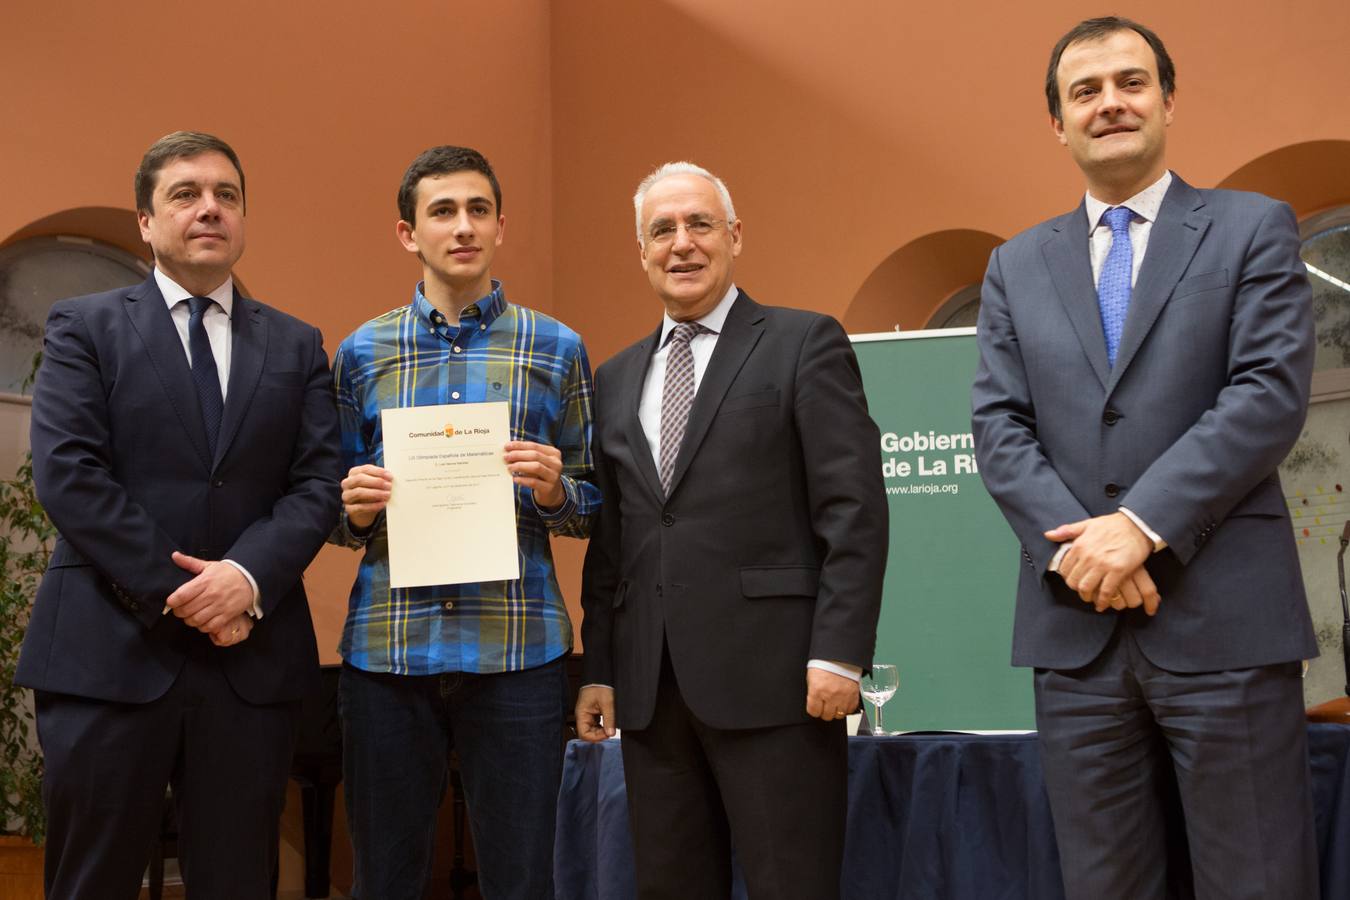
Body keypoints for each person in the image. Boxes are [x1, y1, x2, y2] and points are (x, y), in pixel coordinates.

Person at [971, 17, 1319, 898]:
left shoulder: (1251, 227)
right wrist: (1081, 554)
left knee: (1258, 882)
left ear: (1168, 100)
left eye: (1130, 82)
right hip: (1075, 631)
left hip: (1226, 628)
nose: (1110, 103)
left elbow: (1266, 394)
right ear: (1058, 122)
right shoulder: (1016, 265)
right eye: (1084, 92)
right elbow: (999, 428)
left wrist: (1139, 525)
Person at [16, 130, 342, 898]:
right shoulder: (83, 326)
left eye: (227, 196)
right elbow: (69, 474)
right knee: (90, 882)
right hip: (107, 653)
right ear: (145, 220)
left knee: (237, 882)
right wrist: (186, 594)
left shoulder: (297, 346)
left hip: (249, 665)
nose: (209, 210)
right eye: (186, 194)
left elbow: (319, 481)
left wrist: (247, 577)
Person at [575, 162, 887, 900]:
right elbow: (615, 540)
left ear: (734, 236)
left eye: (699, 224)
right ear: (641, 251)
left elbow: (854, 510)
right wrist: (600, 666)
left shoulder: (804, 342)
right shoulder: (616, 377)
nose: (681, 244)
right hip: (654, 696)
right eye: (662, 230)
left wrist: (840, 654)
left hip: (778, 685)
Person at [331, 145, 599, 900]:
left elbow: (598, 498)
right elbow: (327, 503)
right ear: (407, 233)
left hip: (518, 652)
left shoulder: (557, 347)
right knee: (385, 877)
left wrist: (557, 495)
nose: (463, 226)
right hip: (388, 654)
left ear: (500, 226)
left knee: (524, 878)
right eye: (442, 211)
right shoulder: (360, 353)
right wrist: (349, 508)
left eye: (478, 210)